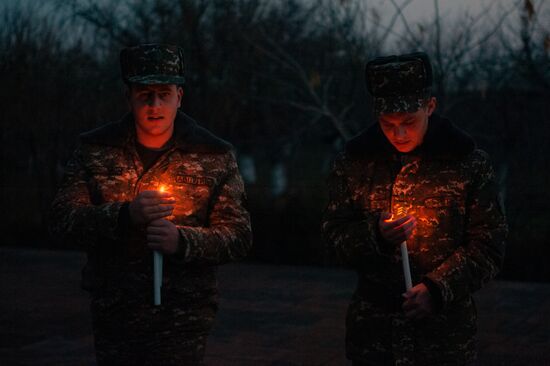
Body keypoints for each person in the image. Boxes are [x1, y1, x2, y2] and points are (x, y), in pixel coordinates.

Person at [50, 44, 252, 365]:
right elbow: (63, 220)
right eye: (144, 94)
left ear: (179, 97)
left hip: (183, 314)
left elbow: (239, 236)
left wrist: (183, 241)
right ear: (128, 96)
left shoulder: (212, 155)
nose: (154, 104)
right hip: (115, 309)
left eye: (164, 93)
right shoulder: (96, 149)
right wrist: (124, 216)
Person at [322, 52, 507, 366]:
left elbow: (489, 247)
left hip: (444, 340)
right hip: (374, 337)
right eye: (388, 124)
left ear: (430, 107)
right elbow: (332, 237)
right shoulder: (354, 164)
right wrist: (375, 235)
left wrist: (437, 289)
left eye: (409, 121)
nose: (399, 133)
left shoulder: (468, 163)